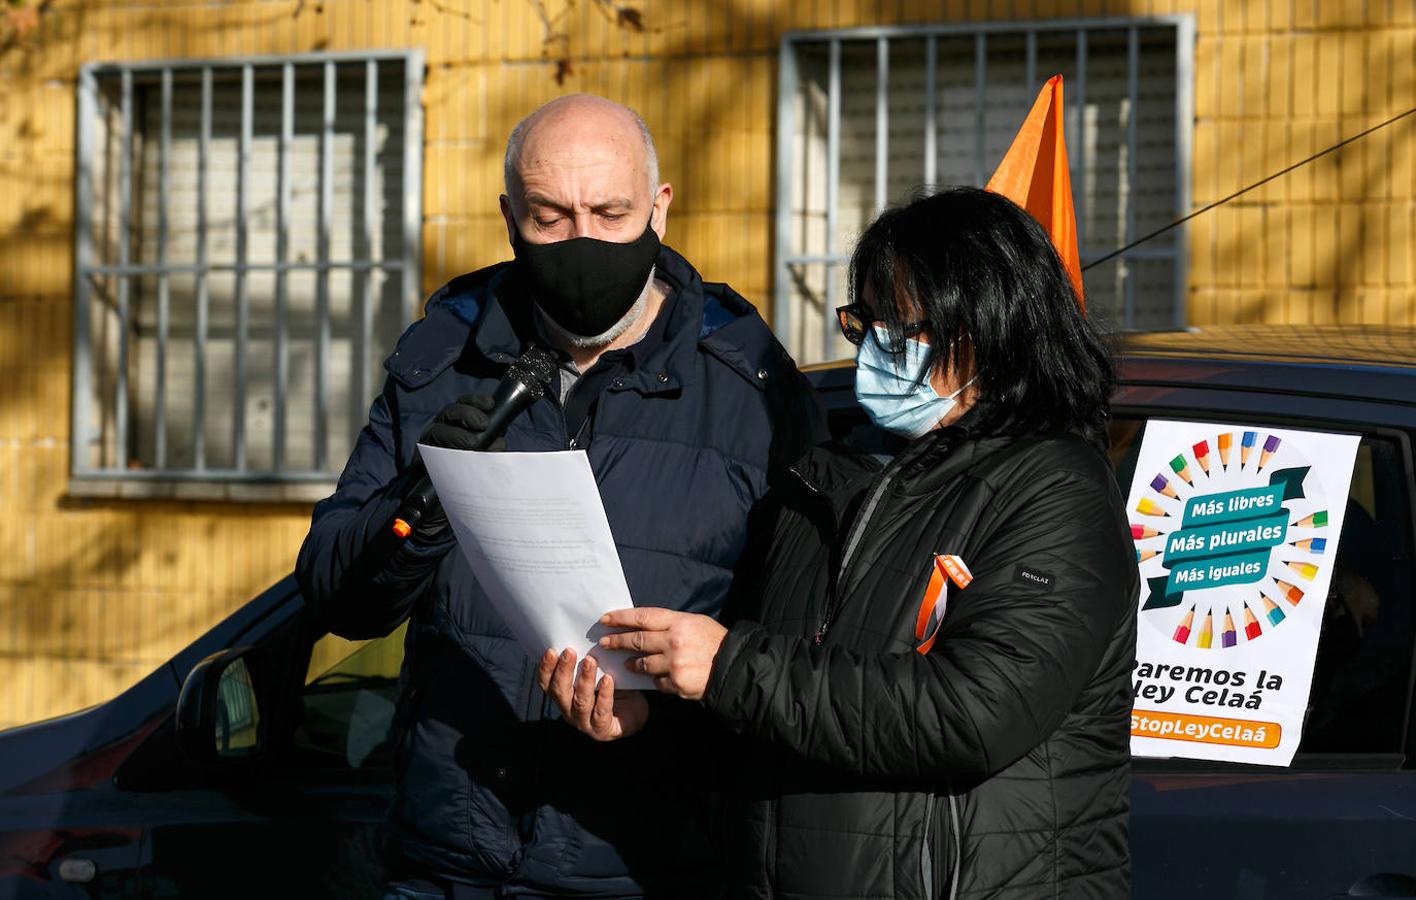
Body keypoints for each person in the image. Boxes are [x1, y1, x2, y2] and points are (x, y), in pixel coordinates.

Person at [296, 93, 822, 898]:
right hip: (447, 860)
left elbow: (806, 661)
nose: (582, 241)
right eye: (550, 216)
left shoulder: (751, 390)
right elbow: (337, 593)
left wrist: (662, 724)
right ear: (509, 216)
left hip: (646, 866)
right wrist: (424, 498)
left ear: (661, 207)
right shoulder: (442, 357)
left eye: (611, 213)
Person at [544, 187, 1140, 898]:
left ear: (988, 328)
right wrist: (653, 720)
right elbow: (775, 719)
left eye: (904, 328)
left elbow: (974, 712)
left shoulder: (1052, 487)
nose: (876, 350)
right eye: (866, 322)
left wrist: (728, 665)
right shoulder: (825, 482)